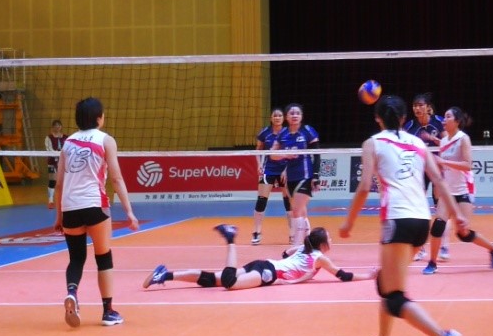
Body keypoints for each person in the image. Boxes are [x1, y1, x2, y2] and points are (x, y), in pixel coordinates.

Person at [340, 94, 466, 336]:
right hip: (421, 221)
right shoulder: (418, 142)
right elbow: (438, 179)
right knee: (386, 284)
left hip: (397, 219)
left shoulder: (373, 143)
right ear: (404, 119)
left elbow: (364, 187)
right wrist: (457, 215)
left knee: (394, 295)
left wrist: (348, 223)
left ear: (377, 118)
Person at [53, 97, 139, 327]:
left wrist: (59, 216)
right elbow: (116, 179)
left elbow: (59, 184)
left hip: (70, 207)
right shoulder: (106, 140)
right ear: (99, 118)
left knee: (76, 258)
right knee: (103, 257)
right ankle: (108, 312)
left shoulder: (68, 143)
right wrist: (129, 212)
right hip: (95, 205)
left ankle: (72, 292)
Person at [143, 224, 375, 290]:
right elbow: (343, 276)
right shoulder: (319, 258)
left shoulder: (303, 250)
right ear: (322, 245)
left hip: (264, 264)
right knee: (230, 283)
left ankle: (165, 275)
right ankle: (231, 238)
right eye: (329, 239)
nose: (332, 241)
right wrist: (369, 275)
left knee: (213, 279)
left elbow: (285, 253)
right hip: (268, 273)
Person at [422, 106, 493, 275]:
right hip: (448, 191)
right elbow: (443, 166)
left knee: (463, 233)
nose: (444, 120)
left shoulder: (463, 139)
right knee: (437, 226)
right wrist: (438, 185)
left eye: (448, 117)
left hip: (464, 189)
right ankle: (432, 262)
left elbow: (467, 165)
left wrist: (443, 162)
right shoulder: (444, 141)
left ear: (457, 121)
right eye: (444, 117)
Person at [403, 93, 451, 261]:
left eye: (420, 105)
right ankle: (420, 248)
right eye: (415, 105)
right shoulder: (410, 126)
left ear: (428, 107)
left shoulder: (439, 122)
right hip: (419, 170)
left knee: (441, 208)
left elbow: (448, 143)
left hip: (438, 168)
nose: (417, 108)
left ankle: (444, 246)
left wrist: (432, 139)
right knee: (417, 207)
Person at [272, 103, 320, 246]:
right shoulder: (283, 134)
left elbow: (317, 154)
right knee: (302, 212)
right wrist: (285, 155)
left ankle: (297, 245)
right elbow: (272, 155)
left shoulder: (307, 131)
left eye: (297, 113)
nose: (295, 115)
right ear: (286, 117)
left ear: (301, 116)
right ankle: (310, 242)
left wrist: (316, 176)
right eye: (291, 113)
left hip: (305, 175)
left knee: (296, 211)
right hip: (290, 177)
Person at [252, 107, 291, 245]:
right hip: (268, 169)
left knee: (288, 201)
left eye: (279, 115)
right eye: (275, 115)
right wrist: (259, 164)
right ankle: (256, 232)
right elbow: (258, 150)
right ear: (271, 118)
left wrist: (286, 169)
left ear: (283, 118)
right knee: (261, 200)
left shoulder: (288, 132)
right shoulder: (265, 133)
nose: (277, 118)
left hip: (284, 169)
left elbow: (293, 153)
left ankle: (292, 234)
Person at [44, 119, 68, 209]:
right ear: (53, 127)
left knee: (64, 181)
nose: (57, 127)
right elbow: (49, 149)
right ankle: (50, 201)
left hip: (63, 161)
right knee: (52, 180)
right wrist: (57, 154)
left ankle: (63, 200)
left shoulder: (66, 137)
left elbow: (68, 148)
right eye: (55, 125)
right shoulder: (48, 137)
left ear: (61, 127)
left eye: (59, 125)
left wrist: (62, 155)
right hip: (52, 161)